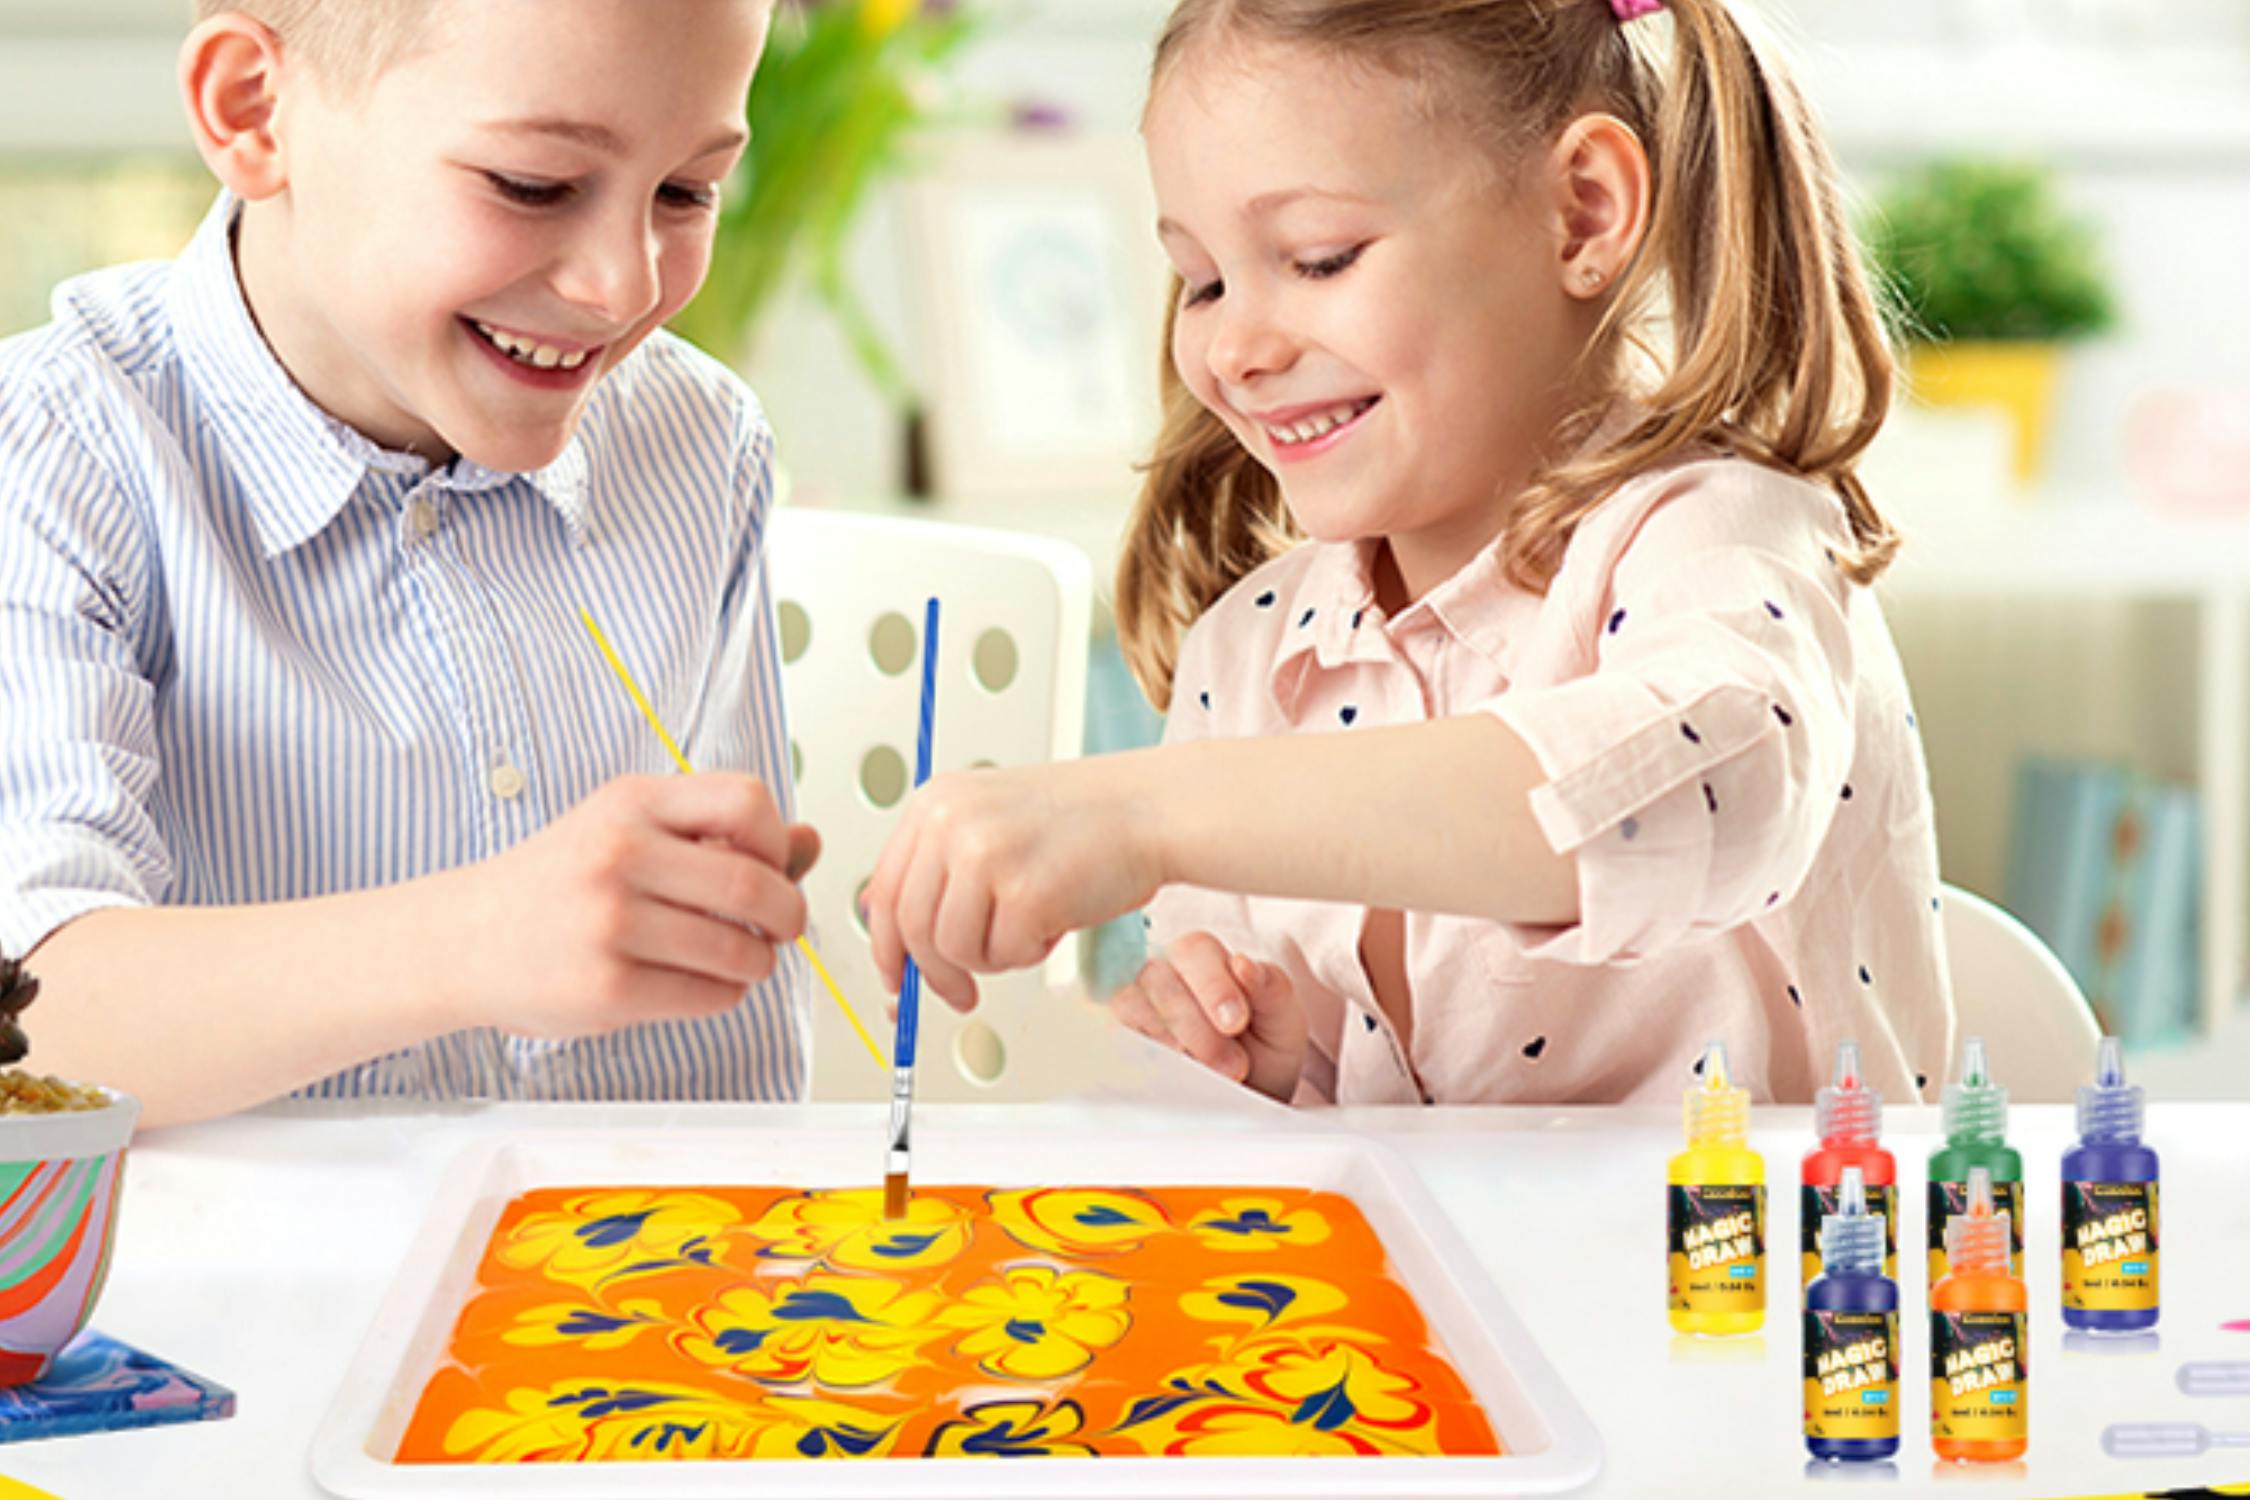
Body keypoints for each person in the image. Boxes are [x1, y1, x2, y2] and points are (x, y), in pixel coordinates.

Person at [861, 0, 1952, 1106]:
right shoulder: (1251, 650)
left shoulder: (1721, 538)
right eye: (1203, 282)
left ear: (1582, 213)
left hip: (1735, 1274)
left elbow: (1710, 790)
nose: (1235, 348)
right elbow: (1343, 1127)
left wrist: (1144, 812)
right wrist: (1241, 1057)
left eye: (1320, 259)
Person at [0, 0, 819, 1128]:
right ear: (253, 109)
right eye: (534, 184)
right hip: (234, 1284)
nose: (624, 287)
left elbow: (730, 1069)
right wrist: (479, 937)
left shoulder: (698, 440)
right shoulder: (50, 452)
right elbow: (33, 1023)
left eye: (685, 192)